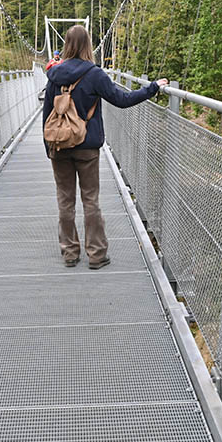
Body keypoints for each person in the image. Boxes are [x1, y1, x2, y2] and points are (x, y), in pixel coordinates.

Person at [42, 25, 168, 269]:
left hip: (58, 146)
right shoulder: (95, 74)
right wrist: (152, 88)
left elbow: (47, 114)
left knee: (65, 201)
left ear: (66, 45)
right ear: (88, 45)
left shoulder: (54, 75)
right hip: (87, 147)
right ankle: (97, 255)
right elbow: (122, 100)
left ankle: (70, 253)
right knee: (91, 200)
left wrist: (49, 146)